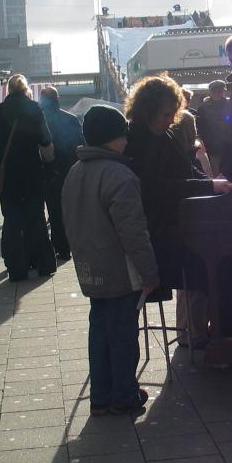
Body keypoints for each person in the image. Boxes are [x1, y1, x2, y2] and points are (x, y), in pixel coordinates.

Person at [124, 74, 232, 347]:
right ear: (148, 110)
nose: (169, 119)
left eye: (173, 114)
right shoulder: (137, 140)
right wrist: (208, 183)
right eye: (165, 114)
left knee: (222, 260)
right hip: (160, 232)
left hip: (178, 224)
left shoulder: (163, 135)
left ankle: (211, 330)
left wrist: (211, 182)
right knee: (217, 265)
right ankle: (209, 333)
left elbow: (186, 171)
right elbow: (158, 187)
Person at [62, 105, 158, 416]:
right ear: (110, 138)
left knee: (100, 333)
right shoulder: (118, 174)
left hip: (91, 267)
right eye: (122, 136)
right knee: (122, 336)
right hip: (118, 268)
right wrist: (149, 270)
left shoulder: (75, 172)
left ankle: (101, 395)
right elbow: (133, 231)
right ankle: (124, 395)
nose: (127, 141)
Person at [0, 74, 56, 282]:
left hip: (10, 174)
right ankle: (43, 263)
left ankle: (16, 268)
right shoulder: (34, 109)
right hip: (32, 172)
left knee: (13, 220)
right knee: (36, 218)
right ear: (25, 89)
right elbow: (46, 138)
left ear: (8, 90)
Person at [40, 85, 84, 260]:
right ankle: (74, 243)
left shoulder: (40, 121)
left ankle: (60, 246)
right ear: (58, 99)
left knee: (54, 210)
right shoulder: (71, 119)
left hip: (49, 171)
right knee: (72, 210)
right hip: (69, 169)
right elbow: (80, 144)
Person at [196, 80, 230, 177]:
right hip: (212, 146)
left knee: (223, 171)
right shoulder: (203, 107)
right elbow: (200, 126)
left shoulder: (229, 104)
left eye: (219, 91)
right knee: (215, 171)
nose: (217, 93)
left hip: (224, 145)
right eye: (214, 91)